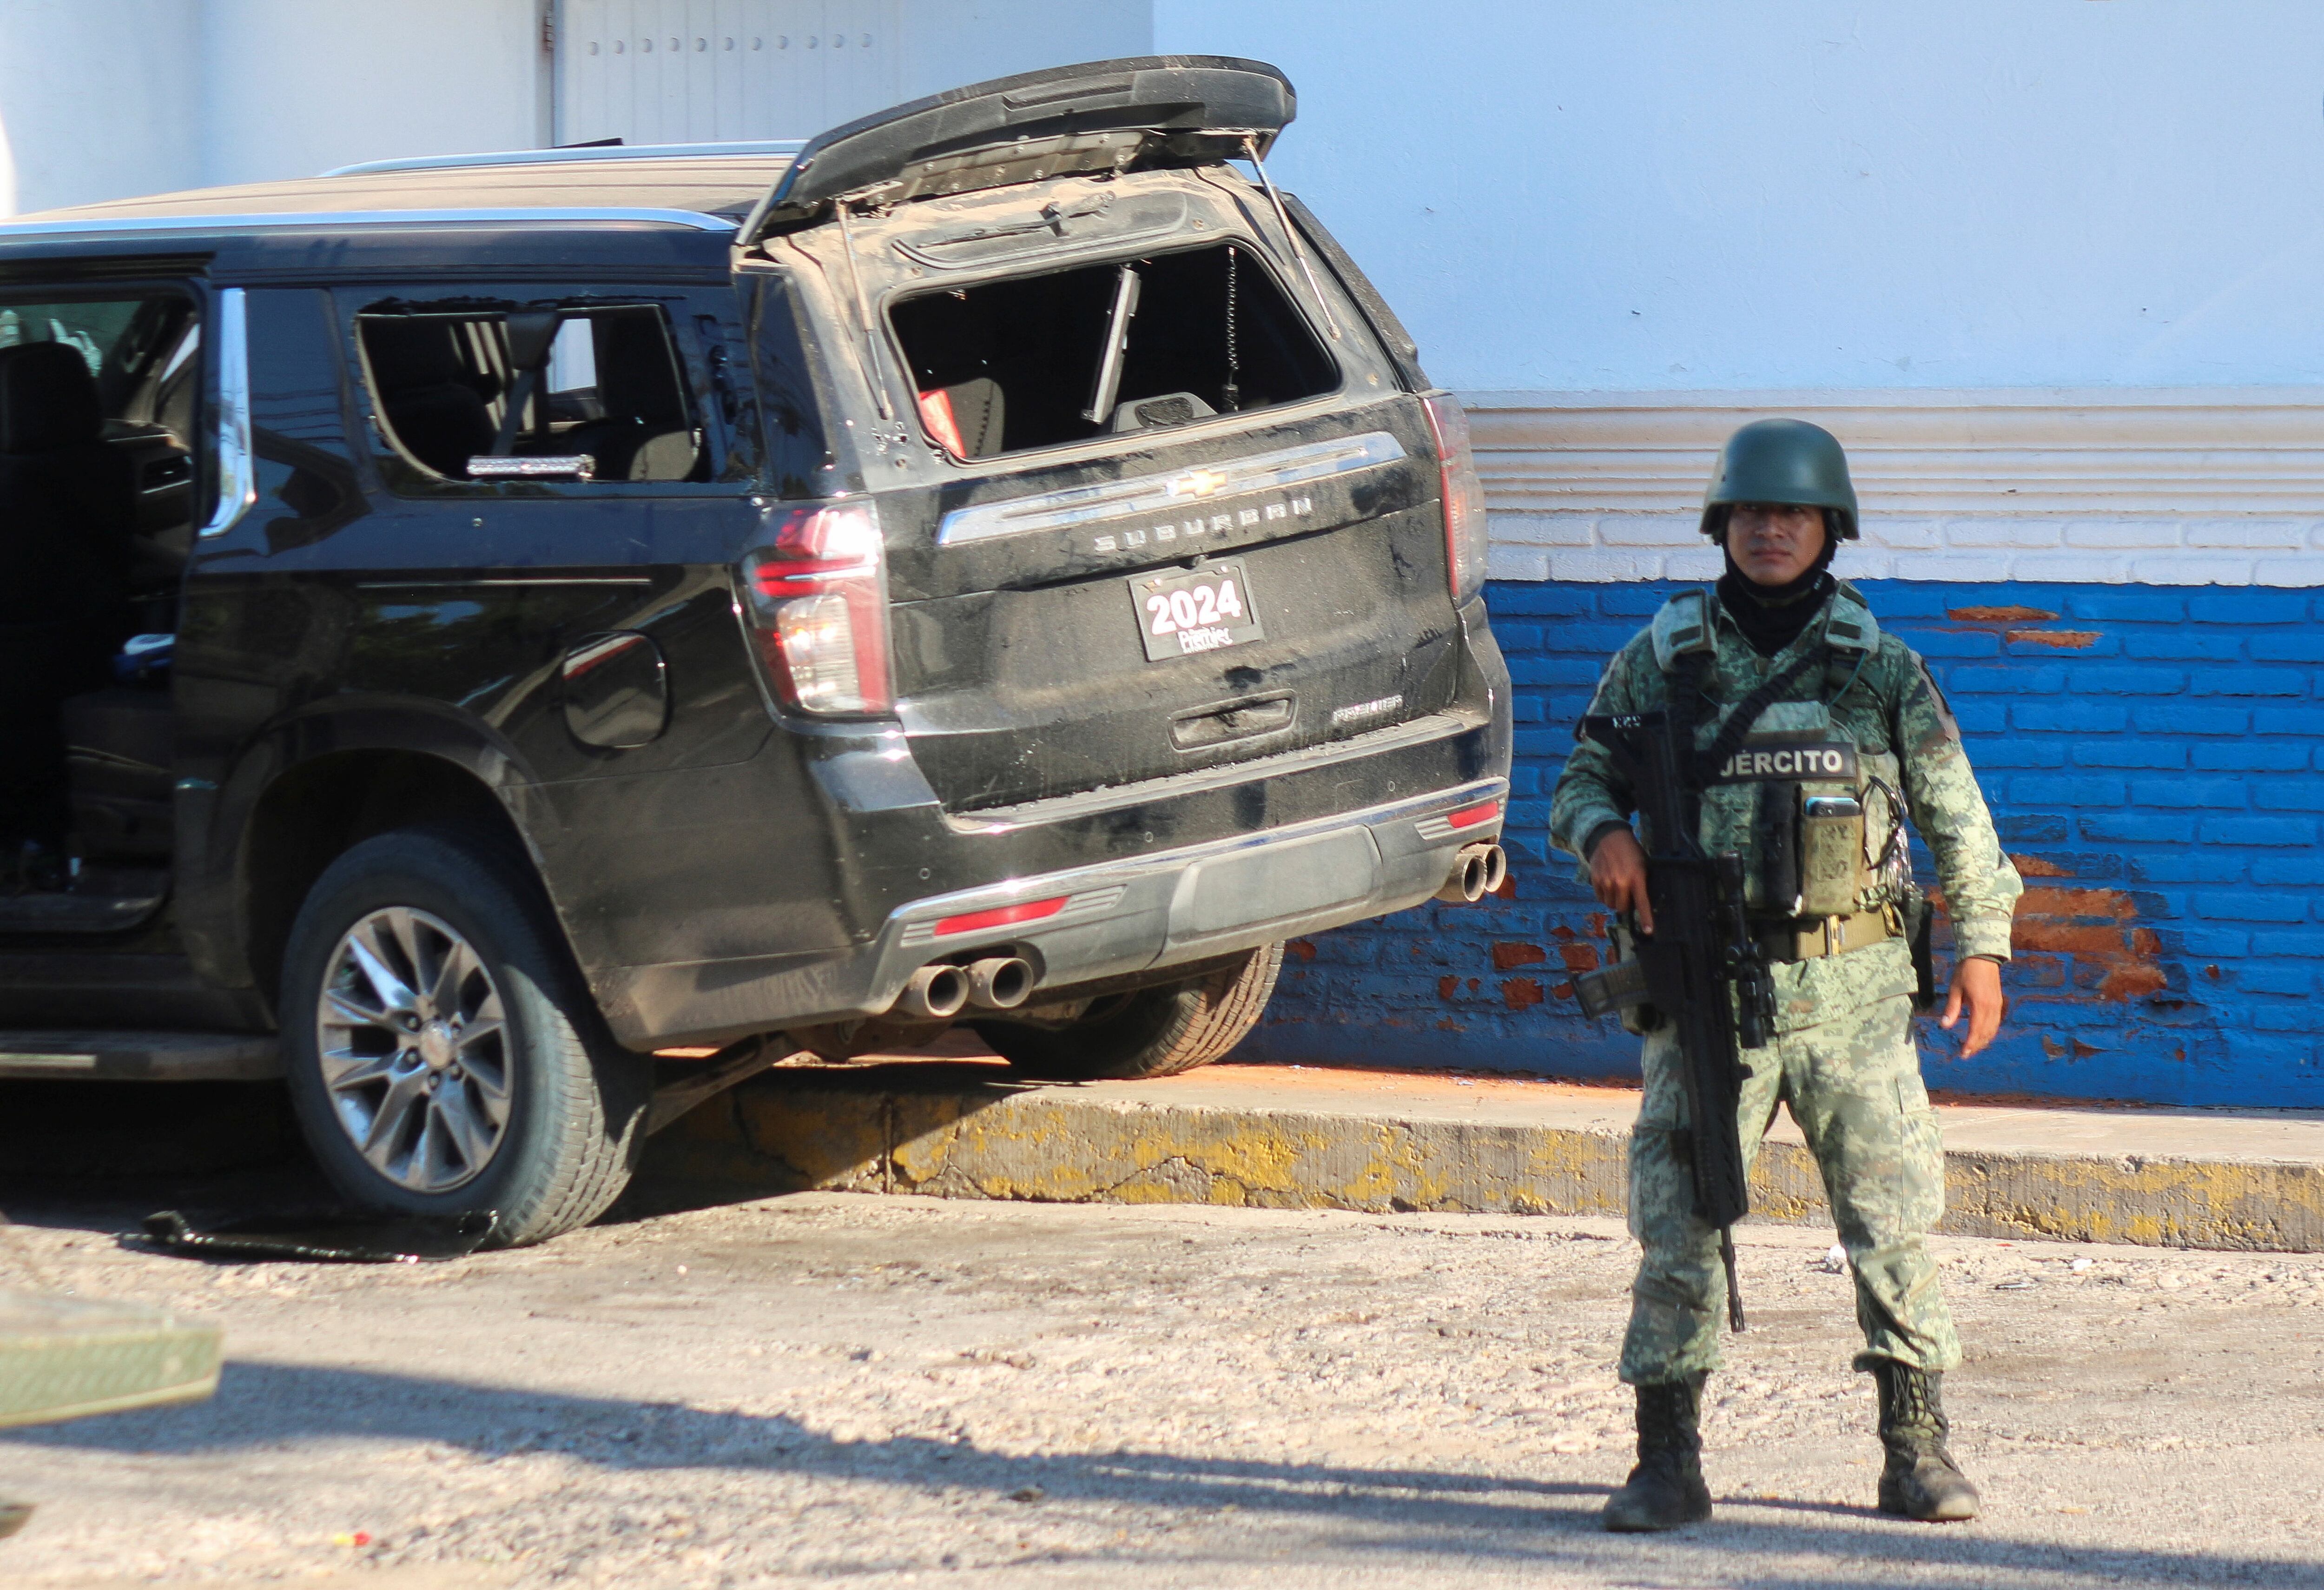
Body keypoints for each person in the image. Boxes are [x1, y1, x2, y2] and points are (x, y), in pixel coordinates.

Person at [1548, 418, 2020, 1530]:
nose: (1770, 531)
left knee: (1890, 1223)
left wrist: (1984, 948)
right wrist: (1600, 835)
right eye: (1751, 514)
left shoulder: (1878, 669)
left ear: (1827, 531)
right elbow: (1579, 775)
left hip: (1854, 1000)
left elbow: (1959, 819)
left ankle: (1916, 1451)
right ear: (1722, 526)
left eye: (1792, 515)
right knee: (1679, 1223)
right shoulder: (1662, 658)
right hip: (1705, 995)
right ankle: (1666, 1461)